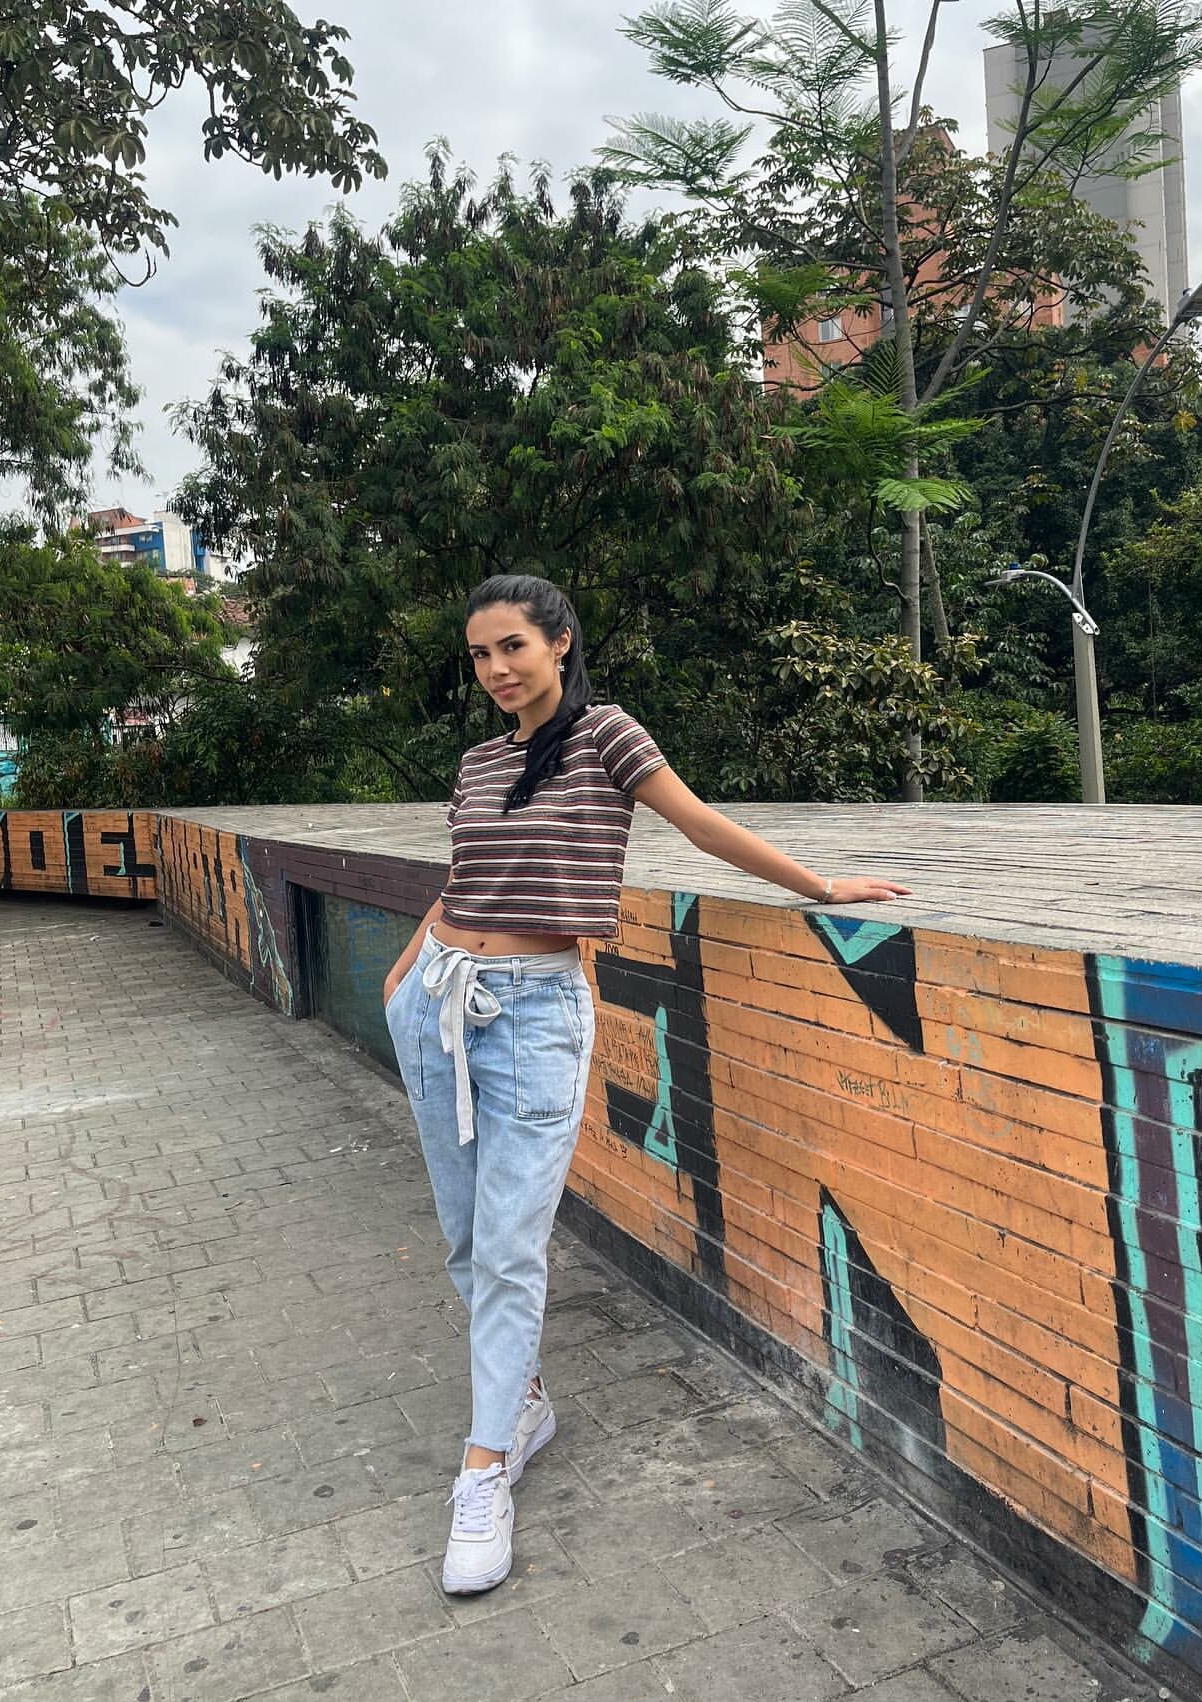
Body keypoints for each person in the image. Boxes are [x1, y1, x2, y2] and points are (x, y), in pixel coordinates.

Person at [381, 572, 911, 1596]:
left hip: (534, 1016)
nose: (496, 669)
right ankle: (521, 1401)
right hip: (435, 1003)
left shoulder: (605, 737)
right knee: (465, 1234)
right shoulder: (479, 762)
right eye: (480, 654)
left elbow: (700, 824)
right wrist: (405, 972)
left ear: (560, 642)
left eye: (513, 646)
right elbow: (463, 881)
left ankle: (484, 1467)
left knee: (510, 1243)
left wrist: (821, 885)